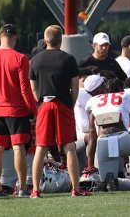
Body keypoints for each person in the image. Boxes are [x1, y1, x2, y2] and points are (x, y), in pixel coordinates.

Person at [29, 25, 89, 198]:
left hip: (44, 105)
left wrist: (40, 103)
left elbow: (33, 88)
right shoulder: (68, 59)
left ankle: (35, 190)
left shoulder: (35, 60)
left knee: (41, 147)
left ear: (46, 39)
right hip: (62, 103)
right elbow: (75, 86)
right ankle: (76, 189)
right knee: (69, 147)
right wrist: (70, 104)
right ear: (60, 39)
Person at [0, 24, 37, 198]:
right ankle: (22, 188)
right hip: (17, 111)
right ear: (15, 37)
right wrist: (34, 110)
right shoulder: (20, 58)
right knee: (18, 149)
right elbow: (25, 90)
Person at [85, 77, 130, 191]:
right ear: (121, 89)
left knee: (108, 185)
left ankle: (109, 182)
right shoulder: (127, 96)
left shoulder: (94, 101)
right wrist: (127, 136)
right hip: (123, 138)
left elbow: (92, 135)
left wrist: (90, 165)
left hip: (103, 141)